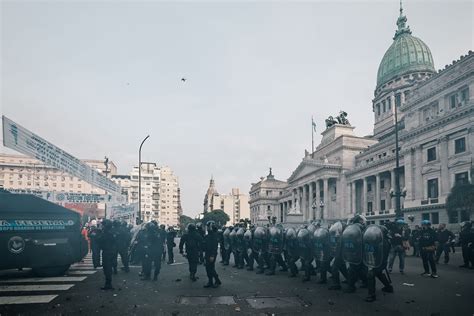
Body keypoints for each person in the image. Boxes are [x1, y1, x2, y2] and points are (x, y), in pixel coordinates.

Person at [364, 224, 393, 302]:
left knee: (371, 274)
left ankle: (371, 295)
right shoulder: (379, 240)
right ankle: (388, 287)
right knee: (379, 273)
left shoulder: (385, 242)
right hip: (378, 261)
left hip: (380, 261)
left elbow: (380, 254)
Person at [98, 219, 118, 290]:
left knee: (107, 268)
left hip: (107, 252)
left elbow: (100, 241)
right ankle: (108, 283)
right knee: (108, 267)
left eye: (103, 225)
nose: (102, 226)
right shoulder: (113, 231)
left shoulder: (106, 233)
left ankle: (108, 284)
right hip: (112, 251)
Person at [203, 221, 222, 288]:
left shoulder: (214, 235)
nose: (207, 228)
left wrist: (212, 255)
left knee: (210, 268)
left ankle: (217, 280)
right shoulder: (208, 235)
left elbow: (214, 246)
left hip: (211, 254)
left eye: (208, 226)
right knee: (208, 268)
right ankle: (210, 281)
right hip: (207, 253)